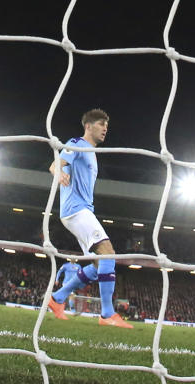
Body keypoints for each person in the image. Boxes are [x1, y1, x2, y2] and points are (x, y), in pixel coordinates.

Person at [45, 109, 132, 328]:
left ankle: (57, 299)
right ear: (88, 126)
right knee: (107, 253)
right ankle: (107, 314)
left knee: (96, 264)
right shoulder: (77, 143)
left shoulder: (91, 152)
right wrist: (60, 173)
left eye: (107, 126)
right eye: (101, 124)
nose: (105, 129)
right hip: (76, 210)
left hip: (81, 211)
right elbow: (55, 164)